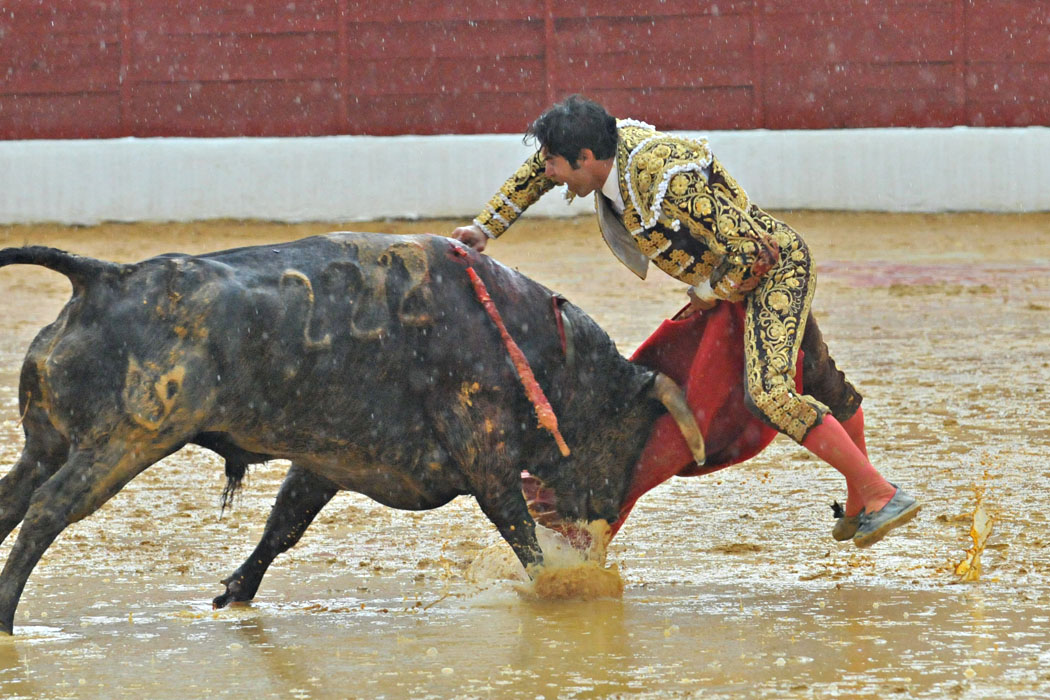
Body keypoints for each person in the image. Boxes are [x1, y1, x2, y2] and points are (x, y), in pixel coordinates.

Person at [450, 94, 919, 547]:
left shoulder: (663, 179)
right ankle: (861, 500)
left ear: (588, 157)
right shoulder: (603, 152)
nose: (549, 174)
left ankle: (880, 493)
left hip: (773, 271)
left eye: (555, 163)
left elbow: (756, 251)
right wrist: (486, 227)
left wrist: (706, 293)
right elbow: (537, 172)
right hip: (735, 276)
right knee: (819, 375)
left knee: (771, 394)